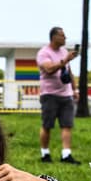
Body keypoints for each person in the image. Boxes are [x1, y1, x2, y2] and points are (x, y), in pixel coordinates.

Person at [36, 26, 80, 163]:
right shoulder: (44, 53)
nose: (65, 38)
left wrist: (74, 89)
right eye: (62, 35)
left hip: (66, 95)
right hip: (49, 95)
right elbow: (49, 69)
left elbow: (69, 71)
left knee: (67, 125)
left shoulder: (63, 51)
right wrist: (65, 60)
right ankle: (45, 154)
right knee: (47, 125)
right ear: (54, 37)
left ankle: (66, 155)